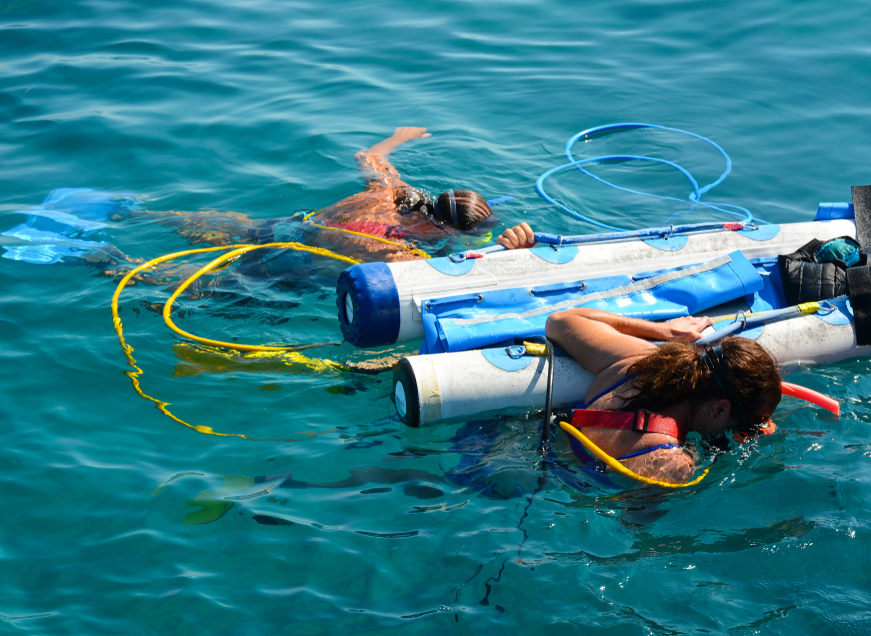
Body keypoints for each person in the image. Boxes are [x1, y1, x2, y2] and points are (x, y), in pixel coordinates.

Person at [496, 223, 783, 485]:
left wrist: (663, 331)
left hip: (506, 442)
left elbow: (559, 321)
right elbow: (634, 520)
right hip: (535, 481)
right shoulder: (673, 463)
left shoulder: (640, 362)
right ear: (719, 409)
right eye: (743, 423)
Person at [136, 127, 495, 265]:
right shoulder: (400, 253)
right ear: (447, 229)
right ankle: (115, 265)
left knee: (222, 226)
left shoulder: (389, 192)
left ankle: (133, 214)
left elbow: (367, 157)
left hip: (283, 227)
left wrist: (398, 138)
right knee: (201, 290)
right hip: (287, 263)